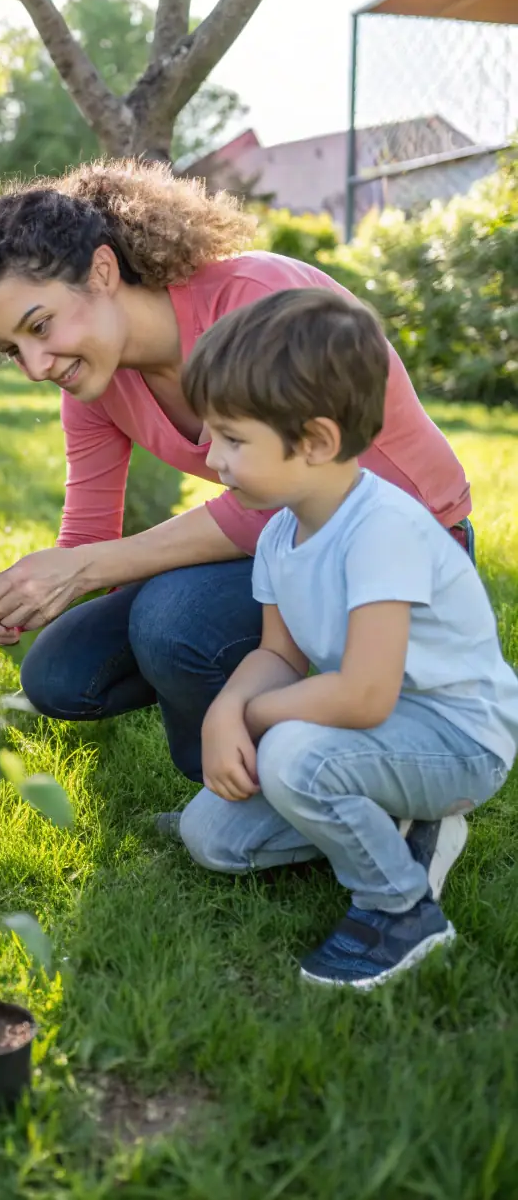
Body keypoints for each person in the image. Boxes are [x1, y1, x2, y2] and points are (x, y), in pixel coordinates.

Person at [0, 159, 474, 799]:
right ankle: (241, 783)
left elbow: (294, 488)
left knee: (174, 619)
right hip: (296, 550)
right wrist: (31, 591)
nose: (33, 364)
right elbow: (89, 538)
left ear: (103, 272)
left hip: (401, 551)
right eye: (13, 349)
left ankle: (296, 781)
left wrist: (86, 569)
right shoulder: (92, 384)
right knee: (58, 670)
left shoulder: (254, 302)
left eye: (40, 326)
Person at [170, 287, 518, 988]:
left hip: (458, 738)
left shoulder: (383, 528)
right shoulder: (279, 532)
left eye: (235, 439)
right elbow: (279, 654)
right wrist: (224, 708)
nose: (214, 457)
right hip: (379, 732)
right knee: (209, 834)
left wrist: (251, 715)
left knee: (295, 753)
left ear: (318, 440)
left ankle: (400, 907)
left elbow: (362, 695)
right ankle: (403, 821)